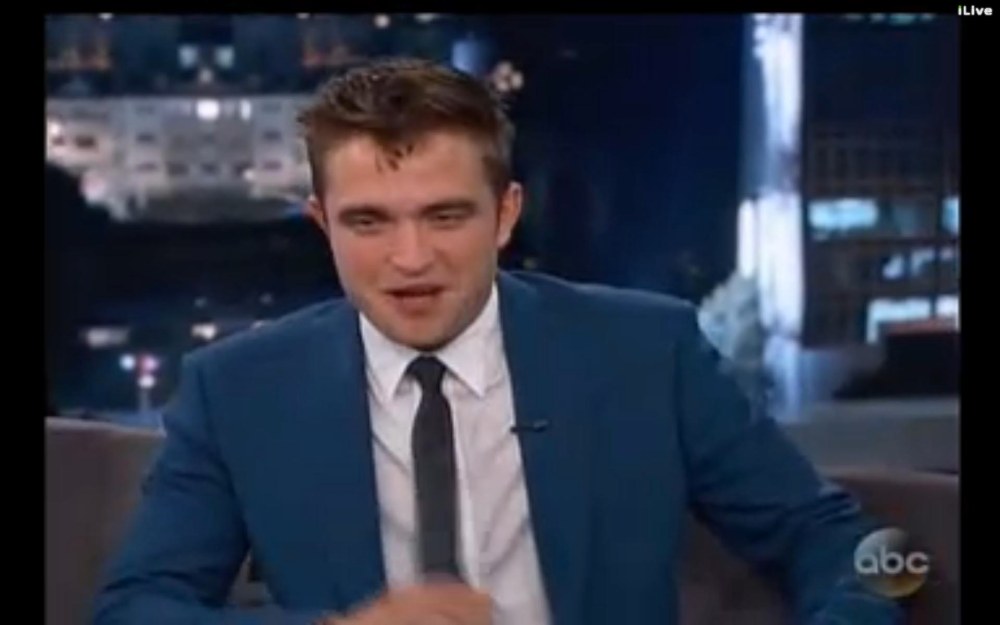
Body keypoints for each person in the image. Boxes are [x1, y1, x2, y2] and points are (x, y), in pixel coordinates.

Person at [93, 58, 903, 625]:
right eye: (369, 222)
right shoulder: (238, 389)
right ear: (321, 224)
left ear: (506, 214)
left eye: (445, 215)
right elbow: (135, 609)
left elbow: (850, 546)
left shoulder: (646, 352)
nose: (411, 258)